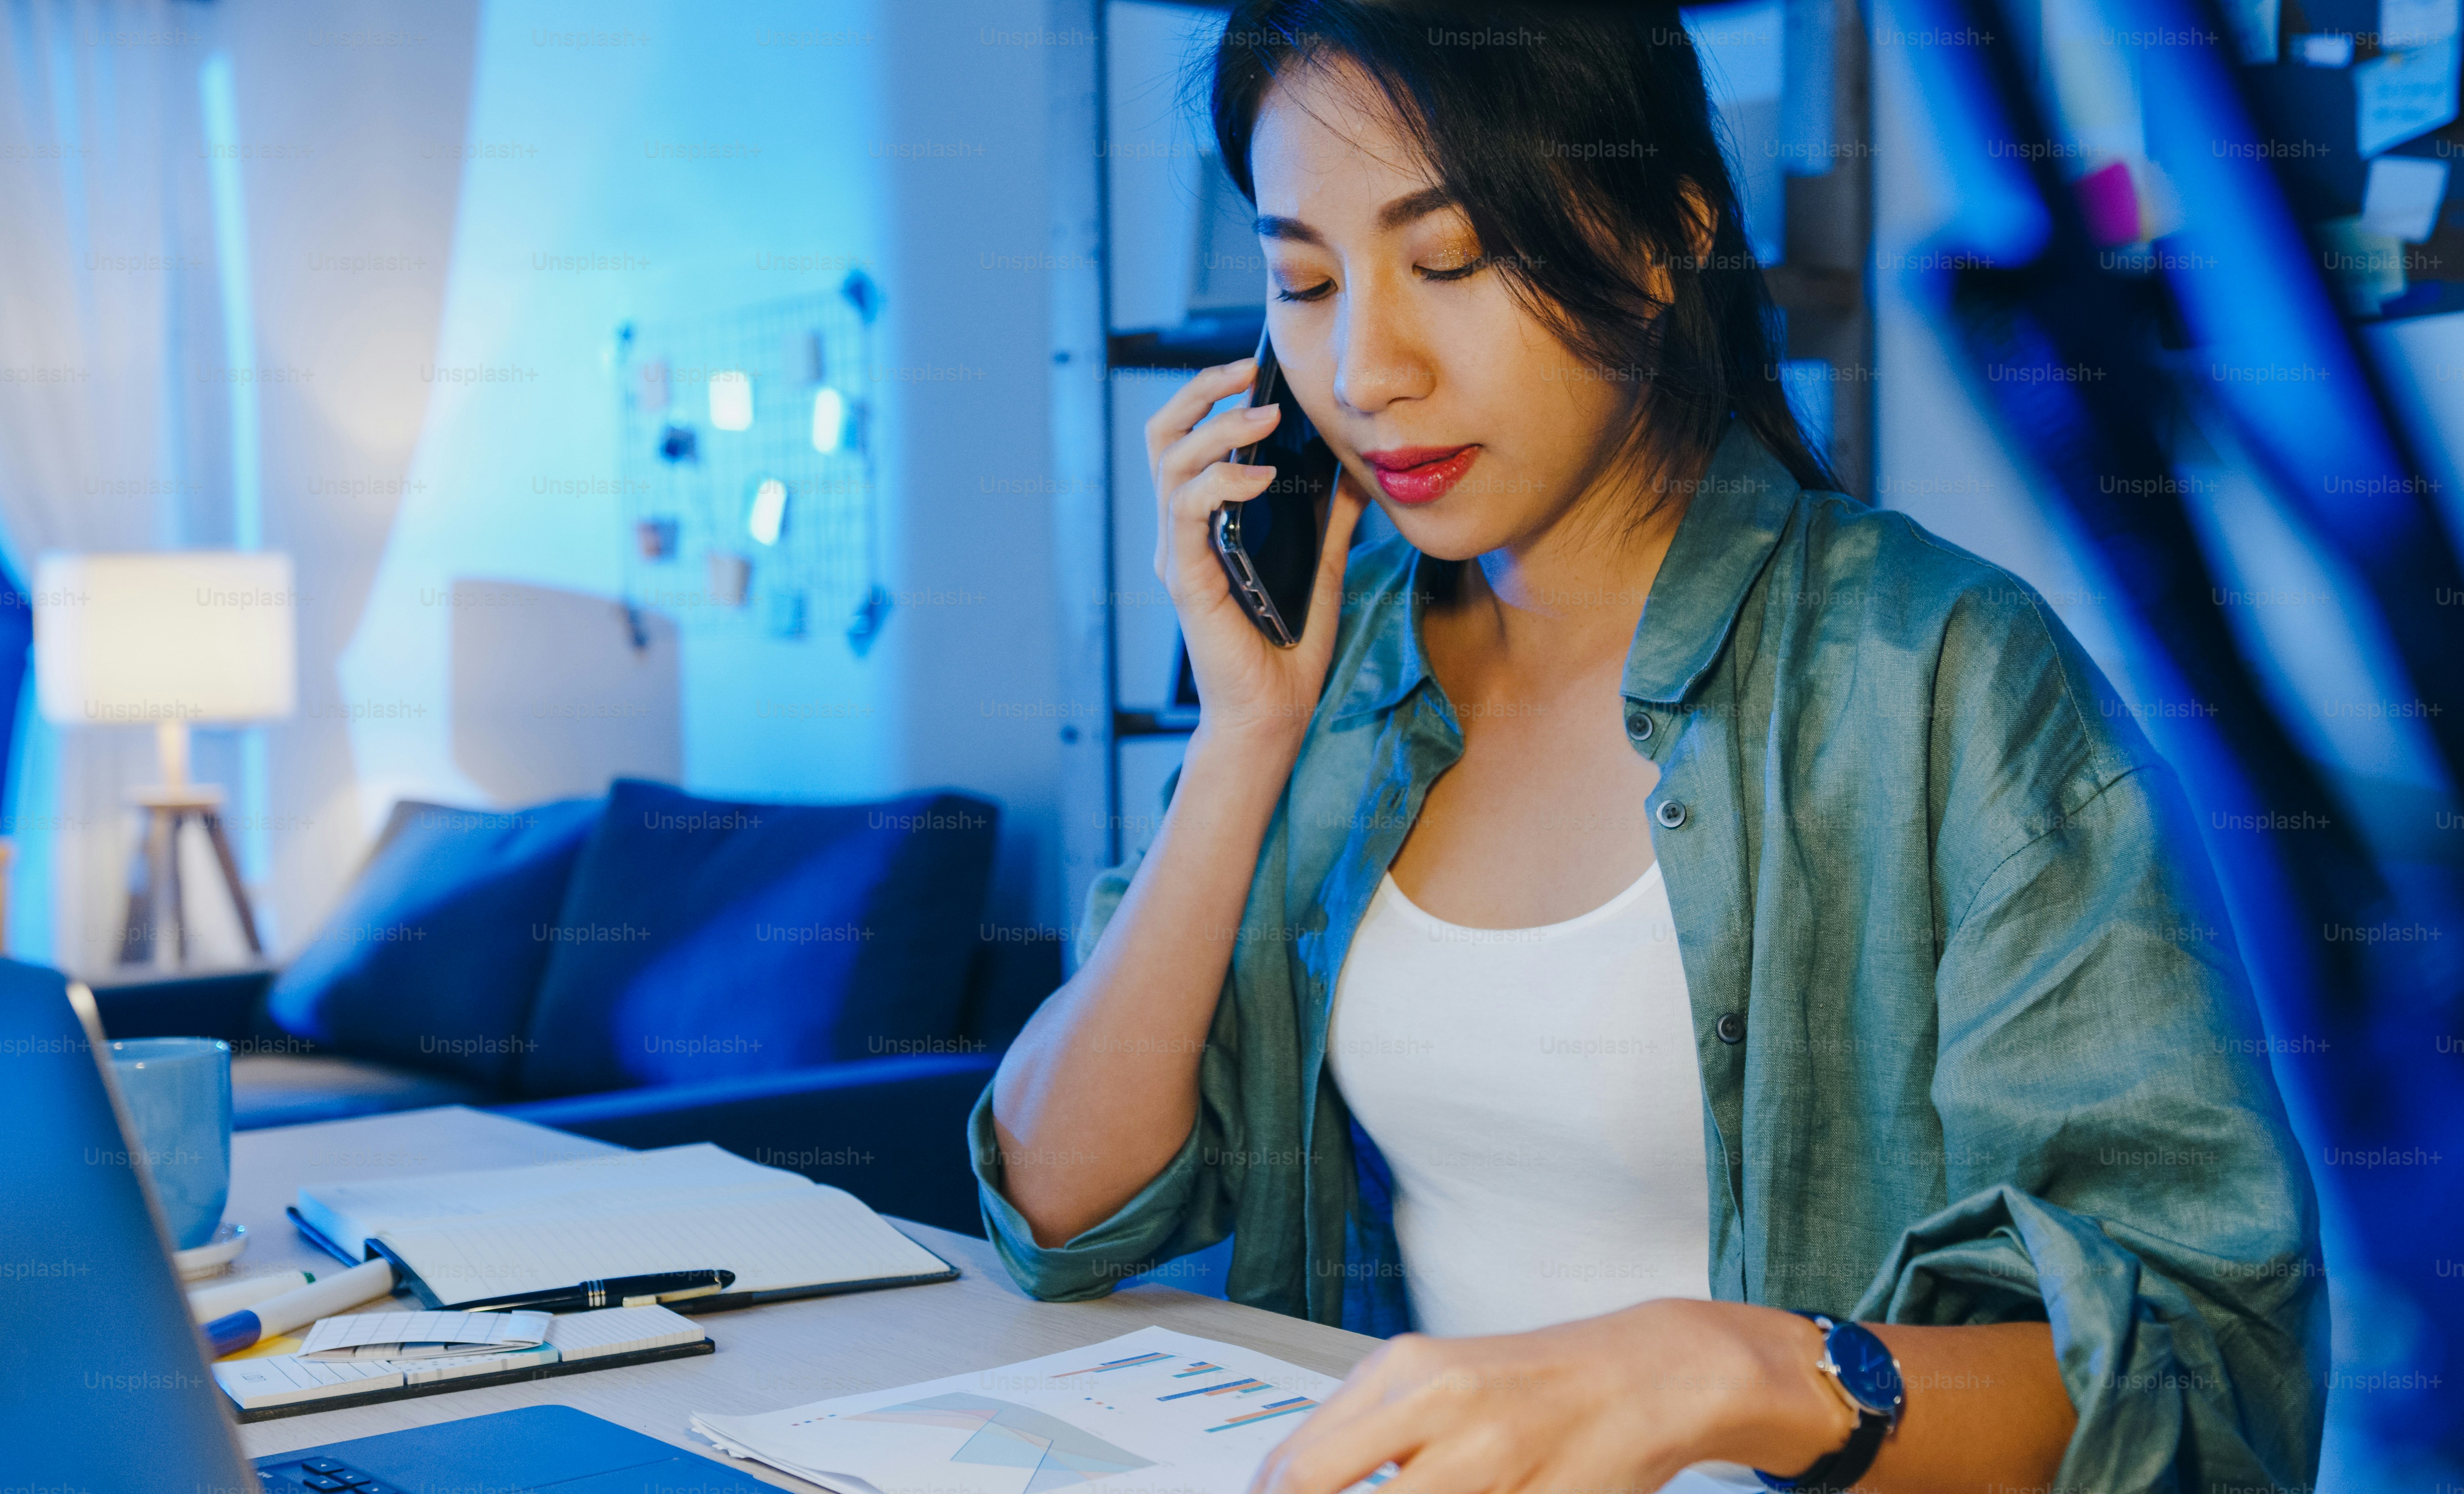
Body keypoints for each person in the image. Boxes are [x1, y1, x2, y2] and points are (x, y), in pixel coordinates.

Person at [971, 3, 2326, 1492]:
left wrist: (1734, 1370)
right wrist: (1241, 739)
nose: (1364, 370)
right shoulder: (1332, 676)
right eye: (1302, 280)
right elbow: (1055, 1205)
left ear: (1665, 234)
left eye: (1451, 261)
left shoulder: (1942, 675)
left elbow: (2202, 1384)